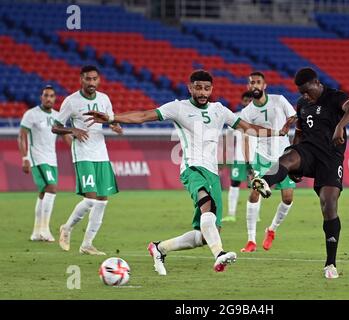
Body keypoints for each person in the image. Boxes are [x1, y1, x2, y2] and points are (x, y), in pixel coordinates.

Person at [84, 70, 291, 275]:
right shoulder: (178, 108)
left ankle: (160, 248)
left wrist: (278, 132)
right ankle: (219, 254)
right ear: (190, 87)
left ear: (212, 89)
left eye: (207, 89)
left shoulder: (220, 110)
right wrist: (111, 117)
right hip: (192, 168)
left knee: (205, 234)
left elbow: (248, 128)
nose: (202, 92)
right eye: (198, 88)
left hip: (212, 173)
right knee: (206, 205)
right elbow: (144, 116)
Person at [252, 67, 349, 279]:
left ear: (317, 83)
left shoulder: (334, 97)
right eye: (301, 92)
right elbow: (300, 134)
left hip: (330, 157)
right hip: (308, 150)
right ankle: (264, 181)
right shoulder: (302, 104)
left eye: (307, 91)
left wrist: (340, 126)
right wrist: (294, 165)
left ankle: (330, 263)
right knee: (287, 157)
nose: (304, 96)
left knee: (329, 205)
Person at [52, 65, 123, 255]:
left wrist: (115, 126)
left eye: (94, 79)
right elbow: (56, 127)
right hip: (83, 153)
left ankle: (87, 244)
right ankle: (66, 228)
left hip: (101, 153)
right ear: (81, 80)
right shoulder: (71, 101)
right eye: (87, 79)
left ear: (99, 80)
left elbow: (110, 120)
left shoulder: (104, 99)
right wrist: (72, 130)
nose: (91, 82)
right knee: (90, 200)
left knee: (102, 201)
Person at [239, 71, 297, 253]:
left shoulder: (279, 100)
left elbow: (294, 115)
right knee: (255, 193)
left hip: (284, 157)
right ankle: (250, 240)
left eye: (258, 82)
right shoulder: (247, 112)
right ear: (249, 87)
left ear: (264, 86)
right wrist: (248, 163)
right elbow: (246, 138)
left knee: (287, 198)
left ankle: (271, 230)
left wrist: (287, 125)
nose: (255, 85)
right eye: (252, 83)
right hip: (262, 157)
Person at [18, 85, 72, 242]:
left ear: (55, 99)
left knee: (44, 193)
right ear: (41, 97)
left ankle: (36, 232)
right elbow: (22, 136)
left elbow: (66, 138)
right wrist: (25, 158)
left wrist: (78, 150)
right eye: (46, 95)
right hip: (37, 158)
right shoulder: (31, 114)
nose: (49, 98)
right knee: (52, 188)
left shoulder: (57, 116)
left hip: (52, 159)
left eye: (52, 96)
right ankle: (45, 230)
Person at [223, 91, 254, 223]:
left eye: (250, 100)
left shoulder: (259, 117)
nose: (248, 103)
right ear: (242, 102)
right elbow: (227, 136)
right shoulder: (235, 117)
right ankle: (231, 214)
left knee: (255, 186)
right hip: (239, 158)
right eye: (245, 100)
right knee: (234, 184)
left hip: (255, 158)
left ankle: (254, 215)